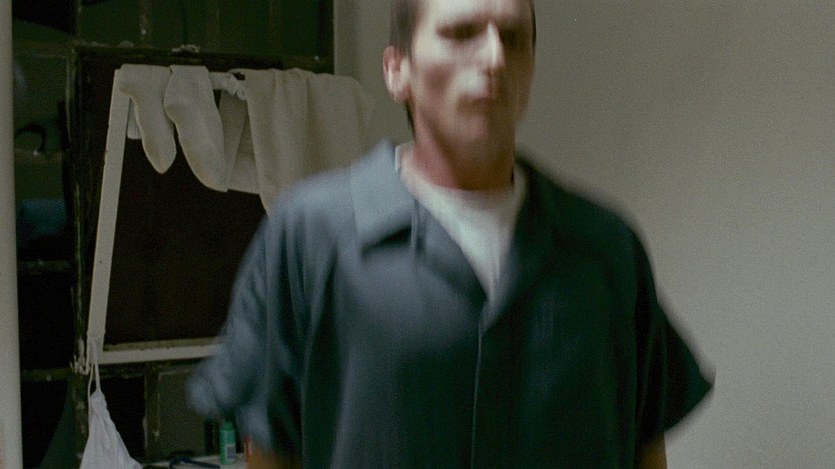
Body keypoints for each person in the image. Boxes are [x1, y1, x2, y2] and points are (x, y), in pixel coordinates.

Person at [188, 0, 712, 467]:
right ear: (397, 70)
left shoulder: (602, 248)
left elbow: (646, 446)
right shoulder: (310, 237)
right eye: (461, 33)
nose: (494, 58)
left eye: (514, 38)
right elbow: (271, 448)